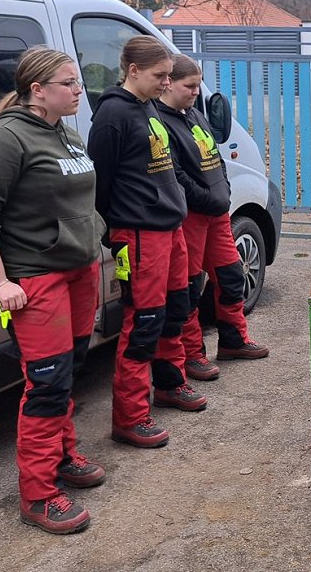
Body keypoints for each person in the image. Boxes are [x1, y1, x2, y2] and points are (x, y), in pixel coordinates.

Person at [0, 47, 106, 535]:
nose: (78, 90)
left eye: (78, 82)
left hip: (79, 269)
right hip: (36, 278)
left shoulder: (65, 131)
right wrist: (1, 284)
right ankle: (38, 494)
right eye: (69, 83)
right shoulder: (3, 141)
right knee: (46, 383)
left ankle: (63, 455)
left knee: (71, 369)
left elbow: (80, 199)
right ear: (37, 90)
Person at [87, 36, 207, 450]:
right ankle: (130, 416)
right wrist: (110, 232)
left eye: (169, 76)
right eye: (160, 76)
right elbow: (99, 183)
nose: (165, 83)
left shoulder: (148, 108)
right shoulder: (112, 116)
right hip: (137, 234)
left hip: (169, 228)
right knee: (144, 323)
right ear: (133, 71)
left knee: (177, 308)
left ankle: (171, 384)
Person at [156, 55, 269, 380]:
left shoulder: (194, 115)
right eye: (189, 86)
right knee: (190, 289)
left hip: (217, 213)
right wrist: (208, 198)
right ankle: (193, 355)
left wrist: (223, 191)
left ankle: (234, 340)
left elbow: (215, 160)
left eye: (197, 86)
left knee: (233, 277)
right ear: (169, 84)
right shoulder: (161, 122)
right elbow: (176, 175)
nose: (195, 92)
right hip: (191, 216)